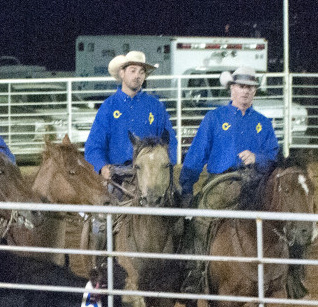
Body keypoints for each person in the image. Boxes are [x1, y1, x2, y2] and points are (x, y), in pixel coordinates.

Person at [178, 65, 280, 293]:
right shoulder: (214, 118)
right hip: (220, 184)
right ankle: (196, 272)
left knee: (282, 219)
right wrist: (186, 186)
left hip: (255, 183)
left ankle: (287, 274)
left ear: (255, 92)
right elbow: (196, 155)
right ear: (232, 89)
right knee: (200, 221)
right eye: (241, 86)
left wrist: (258, 158)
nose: (245, 91)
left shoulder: (263, 123)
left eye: (250, 88)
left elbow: (274, 156)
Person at [83, 50, 177, 191]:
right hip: (117, 176)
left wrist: (167, 164)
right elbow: (94, 145)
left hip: (151, 175)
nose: (137, 76)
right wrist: (102, 166)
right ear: (122, 73)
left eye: (141, 72)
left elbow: (170, 142)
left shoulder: (156, 107)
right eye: (133, 71)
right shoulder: (108, 107)